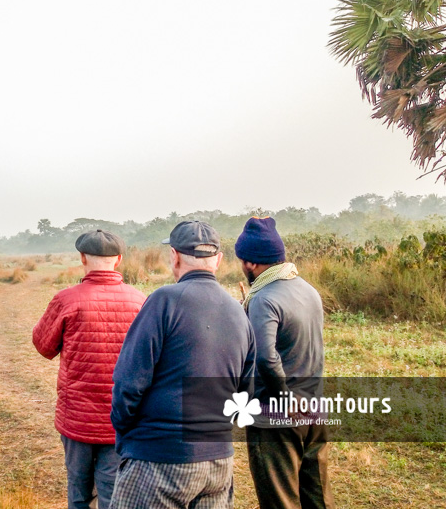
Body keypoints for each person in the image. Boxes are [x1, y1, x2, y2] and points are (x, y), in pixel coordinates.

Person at [110, 221, 256, 509]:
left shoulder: (164, 300)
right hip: (218, 463)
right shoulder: (240, 313)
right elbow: (246, 392)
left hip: (159, 457)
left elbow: (129, 382)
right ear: (218, 259)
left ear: (174, 256)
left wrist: (126, 432)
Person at [33, 229, 146, 509]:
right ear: (118, 259)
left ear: (82, 258)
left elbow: (43, 346)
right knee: (111, 492)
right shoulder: (141, 301)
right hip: (122, 416)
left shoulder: (66, 299)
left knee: (79, 490)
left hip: (76, 417)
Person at [235, 216, 335, 509]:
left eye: (242, 261)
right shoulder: (308, 289)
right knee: (318, 497)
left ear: (251, 263)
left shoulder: (264, 298)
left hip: (277, 417)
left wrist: (282, 398)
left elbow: (266, 356)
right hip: (314, 409)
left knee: (280, 500)